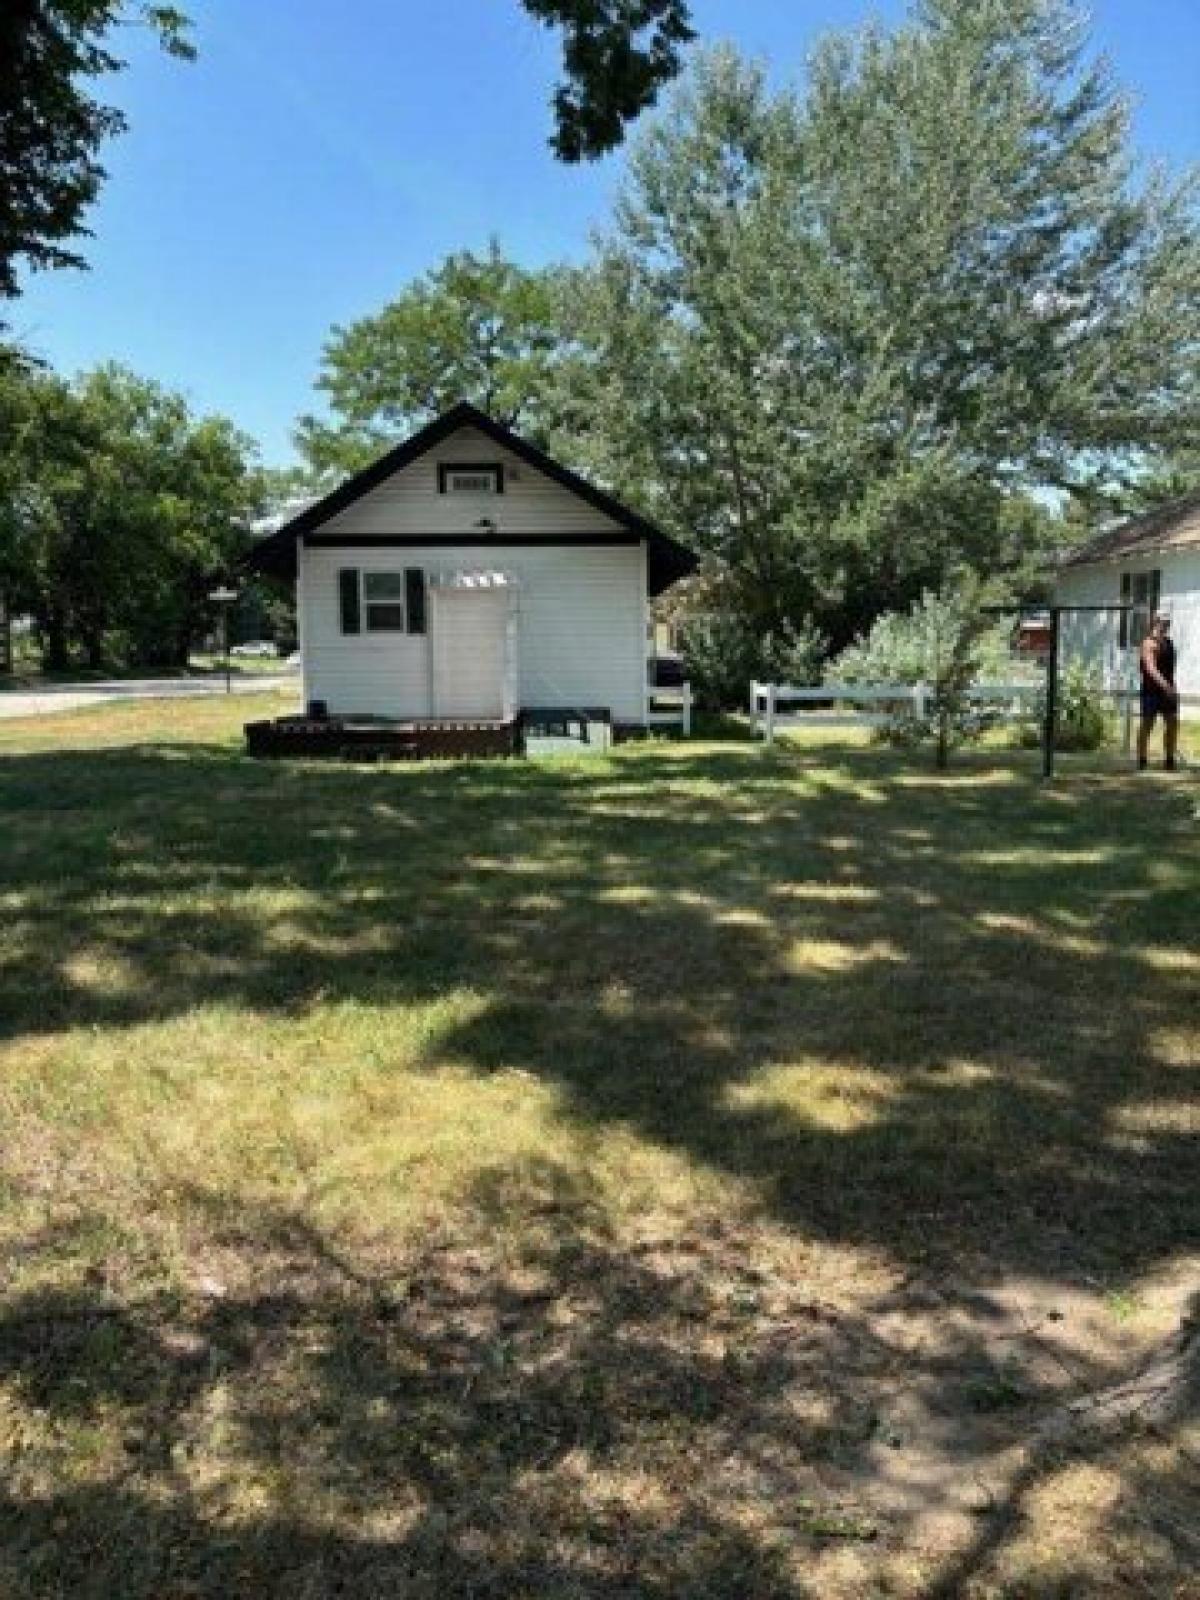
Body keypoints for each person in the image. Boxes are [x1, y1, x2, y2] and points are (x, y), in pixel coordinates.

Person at [1137, 611, 1178, 771]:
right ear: (1156, 621)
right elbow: (1150, 669)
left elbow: (1168, 668)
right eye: (1164, 621)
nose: (1167, 625)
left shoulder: (1169, 642)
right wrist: (1165, 686)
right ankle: (1142, 759)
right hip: (1151, 691)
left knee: (1172, 722)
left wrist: (1172, 687)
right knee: (1147, 724)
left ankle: (1169, 759)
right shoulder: (1149, 643)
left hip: (1168, 690)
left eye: (1169, 622)